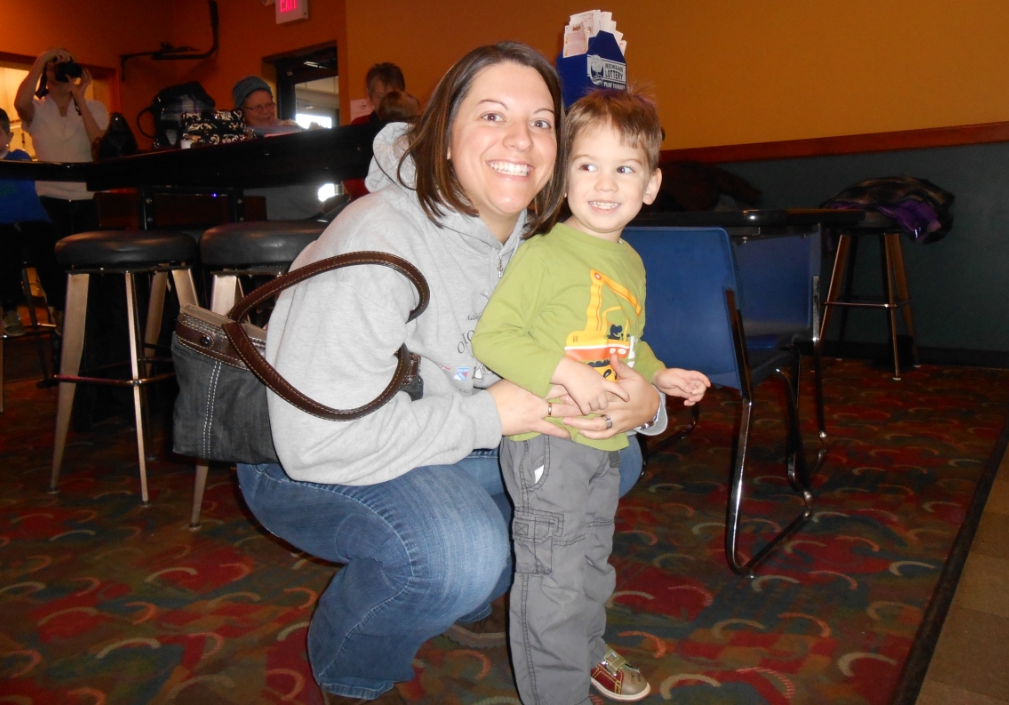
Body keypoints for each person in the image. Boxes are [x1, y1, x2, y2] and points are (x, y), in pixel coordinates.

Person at [235, 42, 666, 704]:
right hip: (310, 456)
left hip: (444, 436)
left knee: (616, 456)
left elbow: (607, 346)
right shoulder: (377, 242)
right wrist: (493, 414)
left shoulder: (542, 236)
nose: (520, 138)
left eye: (541, 121)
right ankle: (354, 672)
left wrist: (644, 400)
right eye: (492, 116)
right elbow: (313, 442)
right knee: (456, 554)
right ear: (442, 136)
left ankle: (536, 613)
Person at [473, 88, 711, 705]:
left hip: (603, 442)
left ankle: (584, 654)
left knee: (591, 565)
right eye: (588, 165)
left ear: (651, 185)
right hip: (548, 445)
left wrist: (658, 377)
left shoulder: (629, 260)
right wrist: (565, 373)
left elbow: (624, 342)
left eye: (624, 168)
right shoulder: (544, 254)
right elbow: (494, 338)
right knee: (551, 580)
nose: (605, 184)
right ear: (564, 175)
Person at [13, 48, 109, 239]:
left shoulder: (94, 108)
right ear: (45, 72)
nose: (62, 70)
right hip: (50, 198)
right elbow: (20, 104)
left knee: (95, 261)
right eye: (54, 67)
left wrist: (80, 99)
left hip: (91, 196)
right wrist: (42, 59)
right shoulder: (37, 109)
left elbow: (99, 145)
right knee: (54, 261)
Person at [0, 108, 61, 336]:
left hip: (31, 220)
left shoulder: (19, 158)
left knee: (47, 251)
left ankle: (58, 305)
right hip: (2, 226)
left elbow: (19, 187)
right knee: (5, 254)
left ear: (8, 136)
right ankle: (10, 310)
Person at [231, 76, 323, 220]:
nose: (266, 111)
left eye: (269, 105)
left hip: (309, 216)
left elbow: (318, 175)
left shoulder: (294, 132)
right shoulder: (236, 142)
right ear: (240, 111)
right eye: (257, 107)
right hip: (260, 223)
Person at [346, 63, 407, 199]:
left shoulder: (412, 127)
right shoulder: (359, 126)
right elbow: (351, 177)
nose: (386, 103)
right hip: (367, 202)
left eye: (392, 96)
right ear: (369, 95)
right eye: (380, 97)